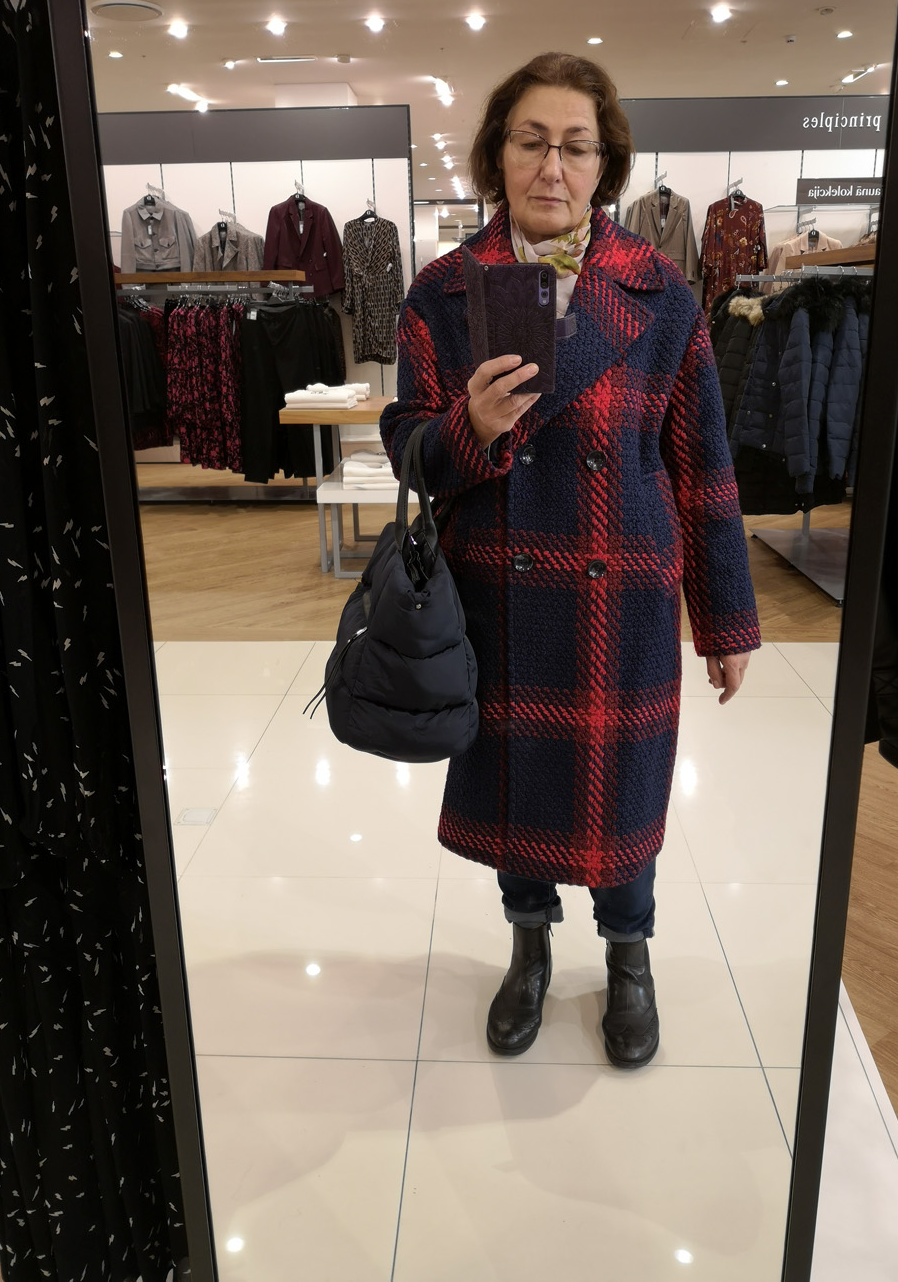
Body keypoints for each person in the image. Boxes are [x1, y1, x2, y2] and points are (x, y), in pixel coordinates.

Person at [380, 52, 760, 1069]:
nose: (553, 166)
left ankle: (629, 955)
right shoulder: (441, 293)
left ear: (605, 164)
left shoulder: (661, 293)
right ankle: (529, 946)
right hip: (496, 595)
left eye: (577, 146)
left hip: (619, 596)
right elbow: (407, 447)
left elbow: (702, 467)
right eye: (531, 141)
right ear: (496, 154)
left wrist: (725, 622)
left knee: (622, 798)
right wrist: (467, 428)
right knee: (520, 793)